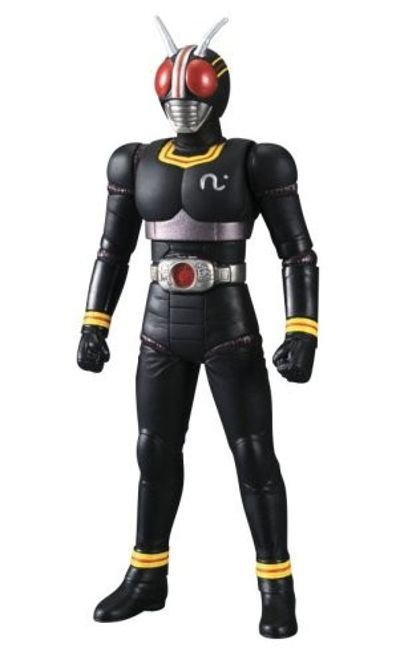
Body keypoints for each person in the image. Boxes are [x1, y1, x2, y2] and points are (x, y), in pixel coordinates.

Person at [77, 17, 319, 638]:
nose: (183, 99)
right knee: (153, 452)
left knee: (253, 453)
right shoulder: (134, 161)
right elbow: (112, 249)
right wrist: (93, 321)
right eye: (173, 86)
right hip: (158, 326)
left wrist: (302, 329)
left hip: (228, 325)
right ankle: (146, 577)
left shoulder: (257, 161)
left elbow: (296, 252)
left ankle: (277, 588)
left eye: (196, 86)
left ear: (220, 88)